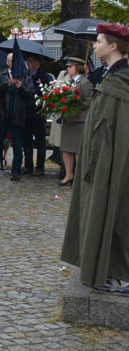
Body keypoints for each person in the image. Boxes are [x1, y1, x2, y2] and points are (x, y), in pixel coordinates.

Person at [61, 23, 129, 294]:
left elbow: (118, 127)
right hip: (102, 157)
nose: (96, 45)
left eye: (100, 41)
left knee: (117, 210)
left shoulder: (120, 81)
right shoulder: (111, 76)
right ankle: (107, 269)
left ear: (113, 45)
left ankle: (115, 272)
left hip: (113, 160)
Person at [0, 53, 32, 180]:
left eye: (15, 60)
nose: (13, 63)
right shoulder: (0, 74)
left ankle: (16, 171)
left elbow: (30, 93)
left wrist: (21, 87)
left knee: (18, 145)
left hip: (17, 115)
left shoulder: (25, 75)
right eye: (11, 60)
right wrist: (7, 84)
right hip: (2, 114)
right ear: (7, 62)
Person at [58, 57, 93, 187]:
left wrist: (76, 106)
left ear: (77, 68)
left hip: (79, 120)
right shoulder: (69, 82)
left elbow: (89, 101)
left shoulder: (85, 83)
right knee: (66, 149)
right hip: (69, 119)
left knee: (77, 150)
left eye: (70, 66)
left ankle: (79, 176)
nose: (68, 69)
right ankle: (69, 174)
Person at [22, 55, 53, 176]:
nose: (28, 64)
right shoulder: (25, 75)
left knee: (40, 142)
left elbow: (46, 92)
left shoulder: (45, 76)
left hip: (38, 113)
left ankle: (40, 167)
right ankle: (28, 165)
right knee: (27, 141)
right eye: (27, 62)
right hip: (26, 112)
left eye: (30, 61)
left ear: (36, 63)